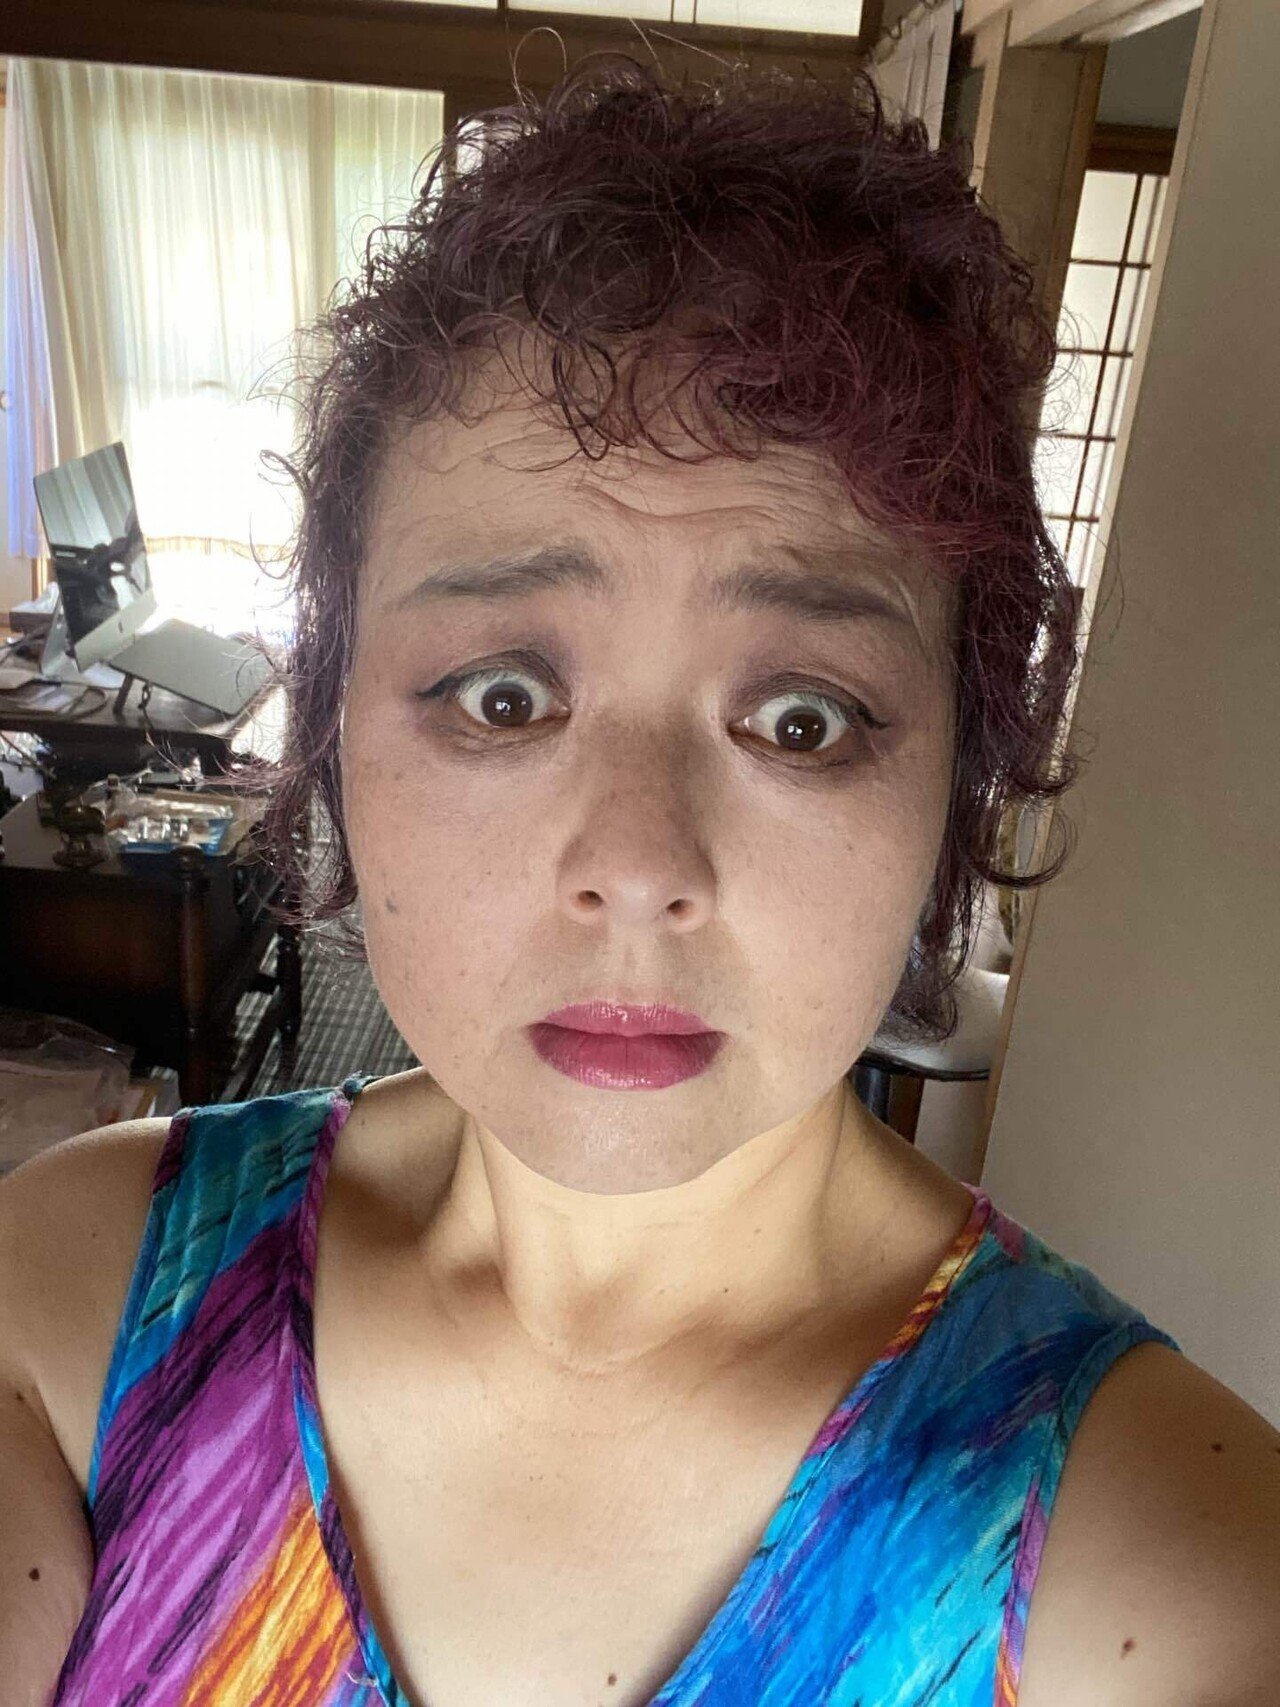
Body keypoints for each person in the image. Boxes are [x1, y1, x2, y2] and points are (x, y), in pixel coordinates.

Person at [2, 57, 1278, 1707]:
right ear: (332, 730)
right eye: (502, 697)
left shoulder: (1171, 1574)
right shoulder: (77, 1299)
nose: (636, 868)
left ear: (954, 784)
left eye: (804, 719)